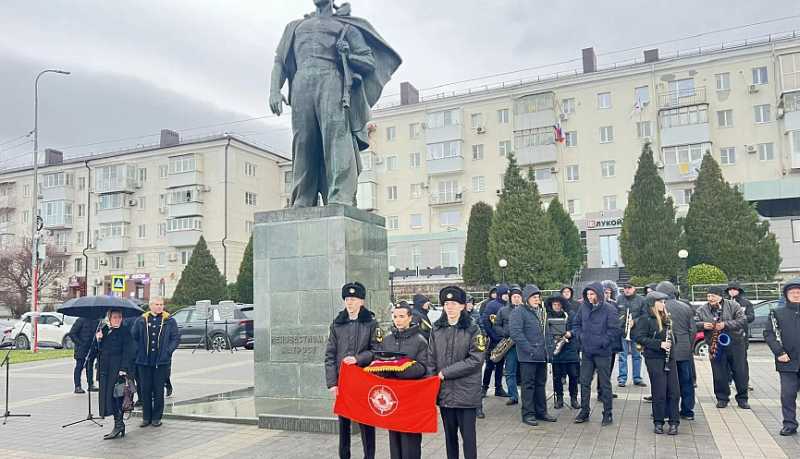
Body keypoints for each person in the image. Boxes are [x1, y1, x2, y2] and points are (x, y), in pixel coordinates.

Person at [324, 282, 381, 459]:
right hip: (343, 382)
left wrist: (358, 359)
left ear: (361, 301)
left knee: (366, 423)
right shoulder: (337, 324)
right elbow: (330, 356)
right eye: (347, 299)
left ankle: (369, 456)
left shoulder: (371, 323)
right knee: (344, 424)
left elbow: (377, 351)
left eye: (354, 299)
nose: (350, 302)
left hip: (364, 381)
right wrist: (332, 384)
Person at [428, 286, 484, 459]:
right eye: (446, 303)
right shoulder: (436, 329)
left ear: (462, 306)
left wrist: (446, 373)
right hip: (445, 394)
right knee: (450, 439)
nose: (449, 307)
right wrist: (431, 385)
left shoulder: (473, 329)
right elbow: (431, 358)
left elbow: (476, 359)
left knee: (468, 439)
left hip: (466, 394)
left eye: (453, 303)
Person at [380, 302, 429, 459]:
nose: (398, 320)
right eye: (395, 316)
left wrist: (399, 368)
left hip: (411, 398)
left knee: (410, 441)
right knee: (394, 439)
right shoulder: (387, 340)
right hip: (392, 397)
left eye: (402, 316)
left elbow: (423, 367)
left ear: (410, 318)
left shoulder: (420, 340)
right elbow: (380, 362)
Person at [572, 282, 620, 426]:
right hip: (587, 351)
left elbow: (614, 330)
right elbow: (576, 324)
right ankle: (584, 411)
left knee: (605, 384)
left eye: (592, 294)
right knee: (584, 382)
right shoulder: (583, 308)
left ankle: (607, 413)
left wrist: (603, 342)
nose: (589, 297)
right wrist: (581, 336)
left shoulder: (609, 309)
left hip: (602, 352)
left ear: (598, 294)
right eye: (587, 294)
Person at [633, 291, 680, 435]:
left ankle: (674, 422)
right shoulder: (645, 319)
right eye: (661, 301)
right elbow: (639, 338)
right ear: (653, 303)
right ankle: (658, 422)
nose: (663, 304)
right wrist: (659, 344)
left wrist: (672, 341)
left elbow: (674, 338)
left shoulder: (667, 318)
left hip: (669, 358)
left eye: (664, 302)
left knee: (674, 391)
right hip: (654, 358)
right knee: (659, 392)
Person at [695, 286, 749, 409]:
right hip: (715, 345)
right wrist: (703, 325)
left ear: (720, 296)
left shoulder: (733, 305)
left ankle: (742, 398)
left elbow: (743, 320)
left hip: (735, 344)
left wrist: (725, 324)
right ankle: (722, 398)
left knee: (740, 372)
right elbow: (694, 323)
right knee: (719, 373)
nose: (710, 298)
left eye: (713, 296)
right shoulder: (702, 309)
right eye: (708, 296)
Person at [510, 284, 556, 426]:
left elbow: (546, 332)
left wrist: (550, 350)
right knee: (528, 385)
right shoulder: (519, 312)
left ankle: (541, 412)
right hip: (528, 357)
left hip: (541, 355)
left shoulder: (541, 312)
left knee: (540, 384)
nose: (537, 300)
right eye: (534, 297)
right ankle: (528, 414)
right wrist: (530, 349)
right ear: (526, 299)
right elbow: (516, 334)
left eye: (538, 297)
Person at [131, 296, 180, 428]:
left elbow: (175, 338)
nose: (159, 307)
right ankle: (146, 417)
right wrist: (138, 352)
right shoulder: (141, 320)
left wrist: (167, 352)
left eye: (161, 304)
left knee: (158, 390)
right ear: (151, 306)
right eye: (157, 304)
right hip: (144, 362)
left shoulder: (169, 321)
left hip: (161, 362)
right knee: (145, 389)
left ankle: (157, 417)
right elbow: (133, 337)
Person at [763, 278, 800, 436]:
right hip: (787, 361)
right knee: (788, 395)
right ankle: (790, 424)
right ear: (786, 295)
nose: (796, 295)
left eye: (799, 292)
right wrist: (779, 352)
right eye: (792, 292)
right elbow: (769, 334)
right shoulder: (777, 313)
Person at [656, 281, 696, 420]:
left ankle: (667, 411)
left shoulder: (659, 307)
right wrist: (688, 346)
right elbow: (693, 330)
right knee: (686, 381)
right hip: (684, 350)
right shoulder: (686, 307)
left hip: (666, 350)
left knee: (667, 383)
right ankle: (687, 411)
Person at [96, 309, 135, 440]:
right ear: (109, 318)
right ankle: (119, 425)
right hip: (105, 369)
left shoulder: (125, 332)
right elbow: (98, 350)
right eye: (114, 317)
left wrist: (123, 369)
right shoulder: (105, 330)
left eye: (119, 317)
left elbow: (129, 352)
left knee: (117, 397)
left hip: (118, 369)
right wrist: (98, 340)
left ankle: (119, 425)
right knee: (109, 398)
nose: (117, 319)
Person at [546, 295, 580, 410]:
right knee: (557, 377)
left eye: (559, 304)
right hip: (556, 349)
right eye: (554, 305)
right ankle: (559, 398)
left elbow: (577, 327)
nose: (556, 306)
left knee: (574, 376)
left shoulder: (570, 315)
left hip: (570, 348)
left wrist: (571, 333)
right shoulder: (548, 316)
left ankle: (574, 398)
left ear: (562, 305)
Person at [493, 284, 522, 406]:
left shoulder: (526, 310)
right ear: (510, 298)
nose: (516, 298)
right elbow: (496, 325)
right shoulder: (503, 310)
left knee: (526, 372)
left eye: (518, 297)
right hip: (510, 345)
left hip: (524, 344)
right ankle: (513, 396)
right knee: (510, 371)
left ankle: (528, 396)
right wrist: (504, 333)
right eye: (514, 296)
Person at [480, 283, 509, 397]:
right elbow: (485, 321)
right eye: (504, 294)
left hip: (504, 341)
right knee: (490, 365)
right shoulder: (492, 305)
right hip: (493, 340)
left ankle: (499, 388)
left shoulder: (508, 305)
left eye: (508, 294)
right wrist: (493, 336)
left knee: (500, 366)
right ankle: (484, 388)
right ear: (500, 294)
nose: (506, 296)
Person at [616, 283, 646, 388]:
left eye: (629, 288)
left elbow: (644, 315)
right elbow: (616, 314)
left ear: (634, 289)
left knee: (637, 356)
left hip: (636, 332)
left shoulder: (641, 300)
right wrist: (621, 323)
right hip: (623, 332)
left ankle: (637, 378)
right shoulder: (619, 299)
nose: (627, 290)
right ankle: (622, 379)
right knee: (622, 356)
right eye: (625, 288)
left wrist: (635, 321)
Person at [727, 282, 755, 391]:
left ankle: (745, 382)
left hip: (741, 335)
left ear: (739, 291)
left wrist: (739, 319)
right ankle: (728, 380)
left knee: (742, 361)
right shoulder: (724, 302)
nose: (732, 291)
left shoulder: (746, 303)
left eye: (735, 289)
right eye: (730, 289)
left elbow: (751, 317)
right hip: (727, 335)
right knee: (726, 360)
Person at [465, 297, 486, 419]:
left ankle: (478, 408)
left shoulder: (476, 314)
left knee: (477, 381)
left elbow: (482, 328)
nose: (470, 305)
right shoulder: (461, 316)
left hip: (475, 351)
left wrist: (483, 337)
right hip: (463, 352)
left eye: (471, 303)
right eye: (468, 303)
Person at [601, 280, 622, 400]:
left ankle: (607, 391)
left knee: (610, 368)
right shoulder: (598, 305)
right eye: (605, 292)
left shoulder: (614, 305)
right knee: (602, 369)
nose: (607, 294)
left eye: (609, 292)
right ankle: (601, 392)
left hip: (612, 342)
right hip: (603, 342)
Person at [68, 317, 100, 394]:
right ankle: (77, 386)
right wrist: (80, 343)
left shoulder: (97, 321)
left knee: (90, 367)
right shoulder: (80, 320)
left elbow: (98, 333)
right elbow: (72, 333)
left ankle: (90, 384)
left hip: (92, 348)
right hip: (81, 349)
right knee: (79, 366)